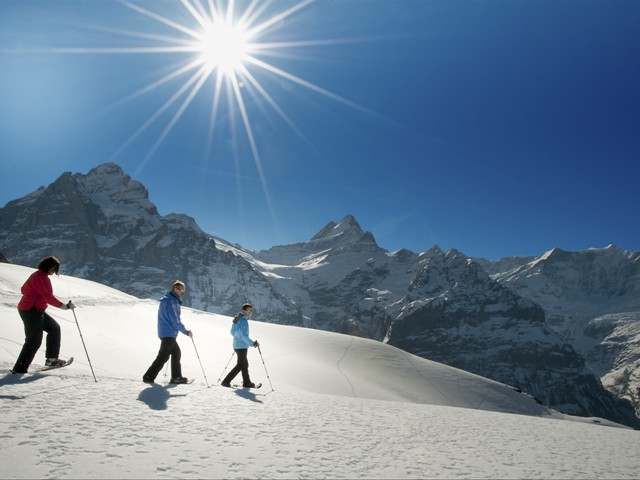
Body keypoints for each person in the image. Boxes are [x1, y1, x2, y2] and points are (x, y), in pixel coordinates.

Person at [12, 256, 75, 374]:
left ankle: (52, 360)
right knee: (33, 341)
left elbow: (23, 289)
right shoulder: (40, 277)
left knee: (54, 328)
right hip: (30, 310)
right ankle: (19, 369)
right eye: (54, 268)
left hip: (36, 309)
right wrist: (63, 306)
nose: (54, 271)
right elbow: (47, 296)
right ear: (49, 267)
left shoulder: (38, 275)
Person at [143, 280, 192, 385]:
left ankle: (176, 377)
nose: (182, 292)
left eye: (183, 289)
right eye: (181, 289)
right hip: (168, 333)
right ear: (175, 289)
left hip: (166, 332)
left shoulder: (168, 300)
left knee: (176, 353)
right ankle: (148, 376)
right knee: (163, 357)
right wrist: (186, 332)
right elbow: (175, 321)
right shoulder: (171, 302)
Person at [221, 303, 259, 388]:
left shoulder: (237, 319)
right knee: (240, 365)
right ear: (243, 310)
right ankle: (226, 381)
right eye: (248, 310)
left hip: (236, 345)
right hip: (241, 346)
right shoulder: (243, 321)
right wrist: (253, 343)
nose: (249, 312)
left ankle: (247, 382)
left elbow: (232, 332)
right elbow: (244, 336)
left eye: (250, 310)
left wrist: (238, 337)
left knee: (244, 364)